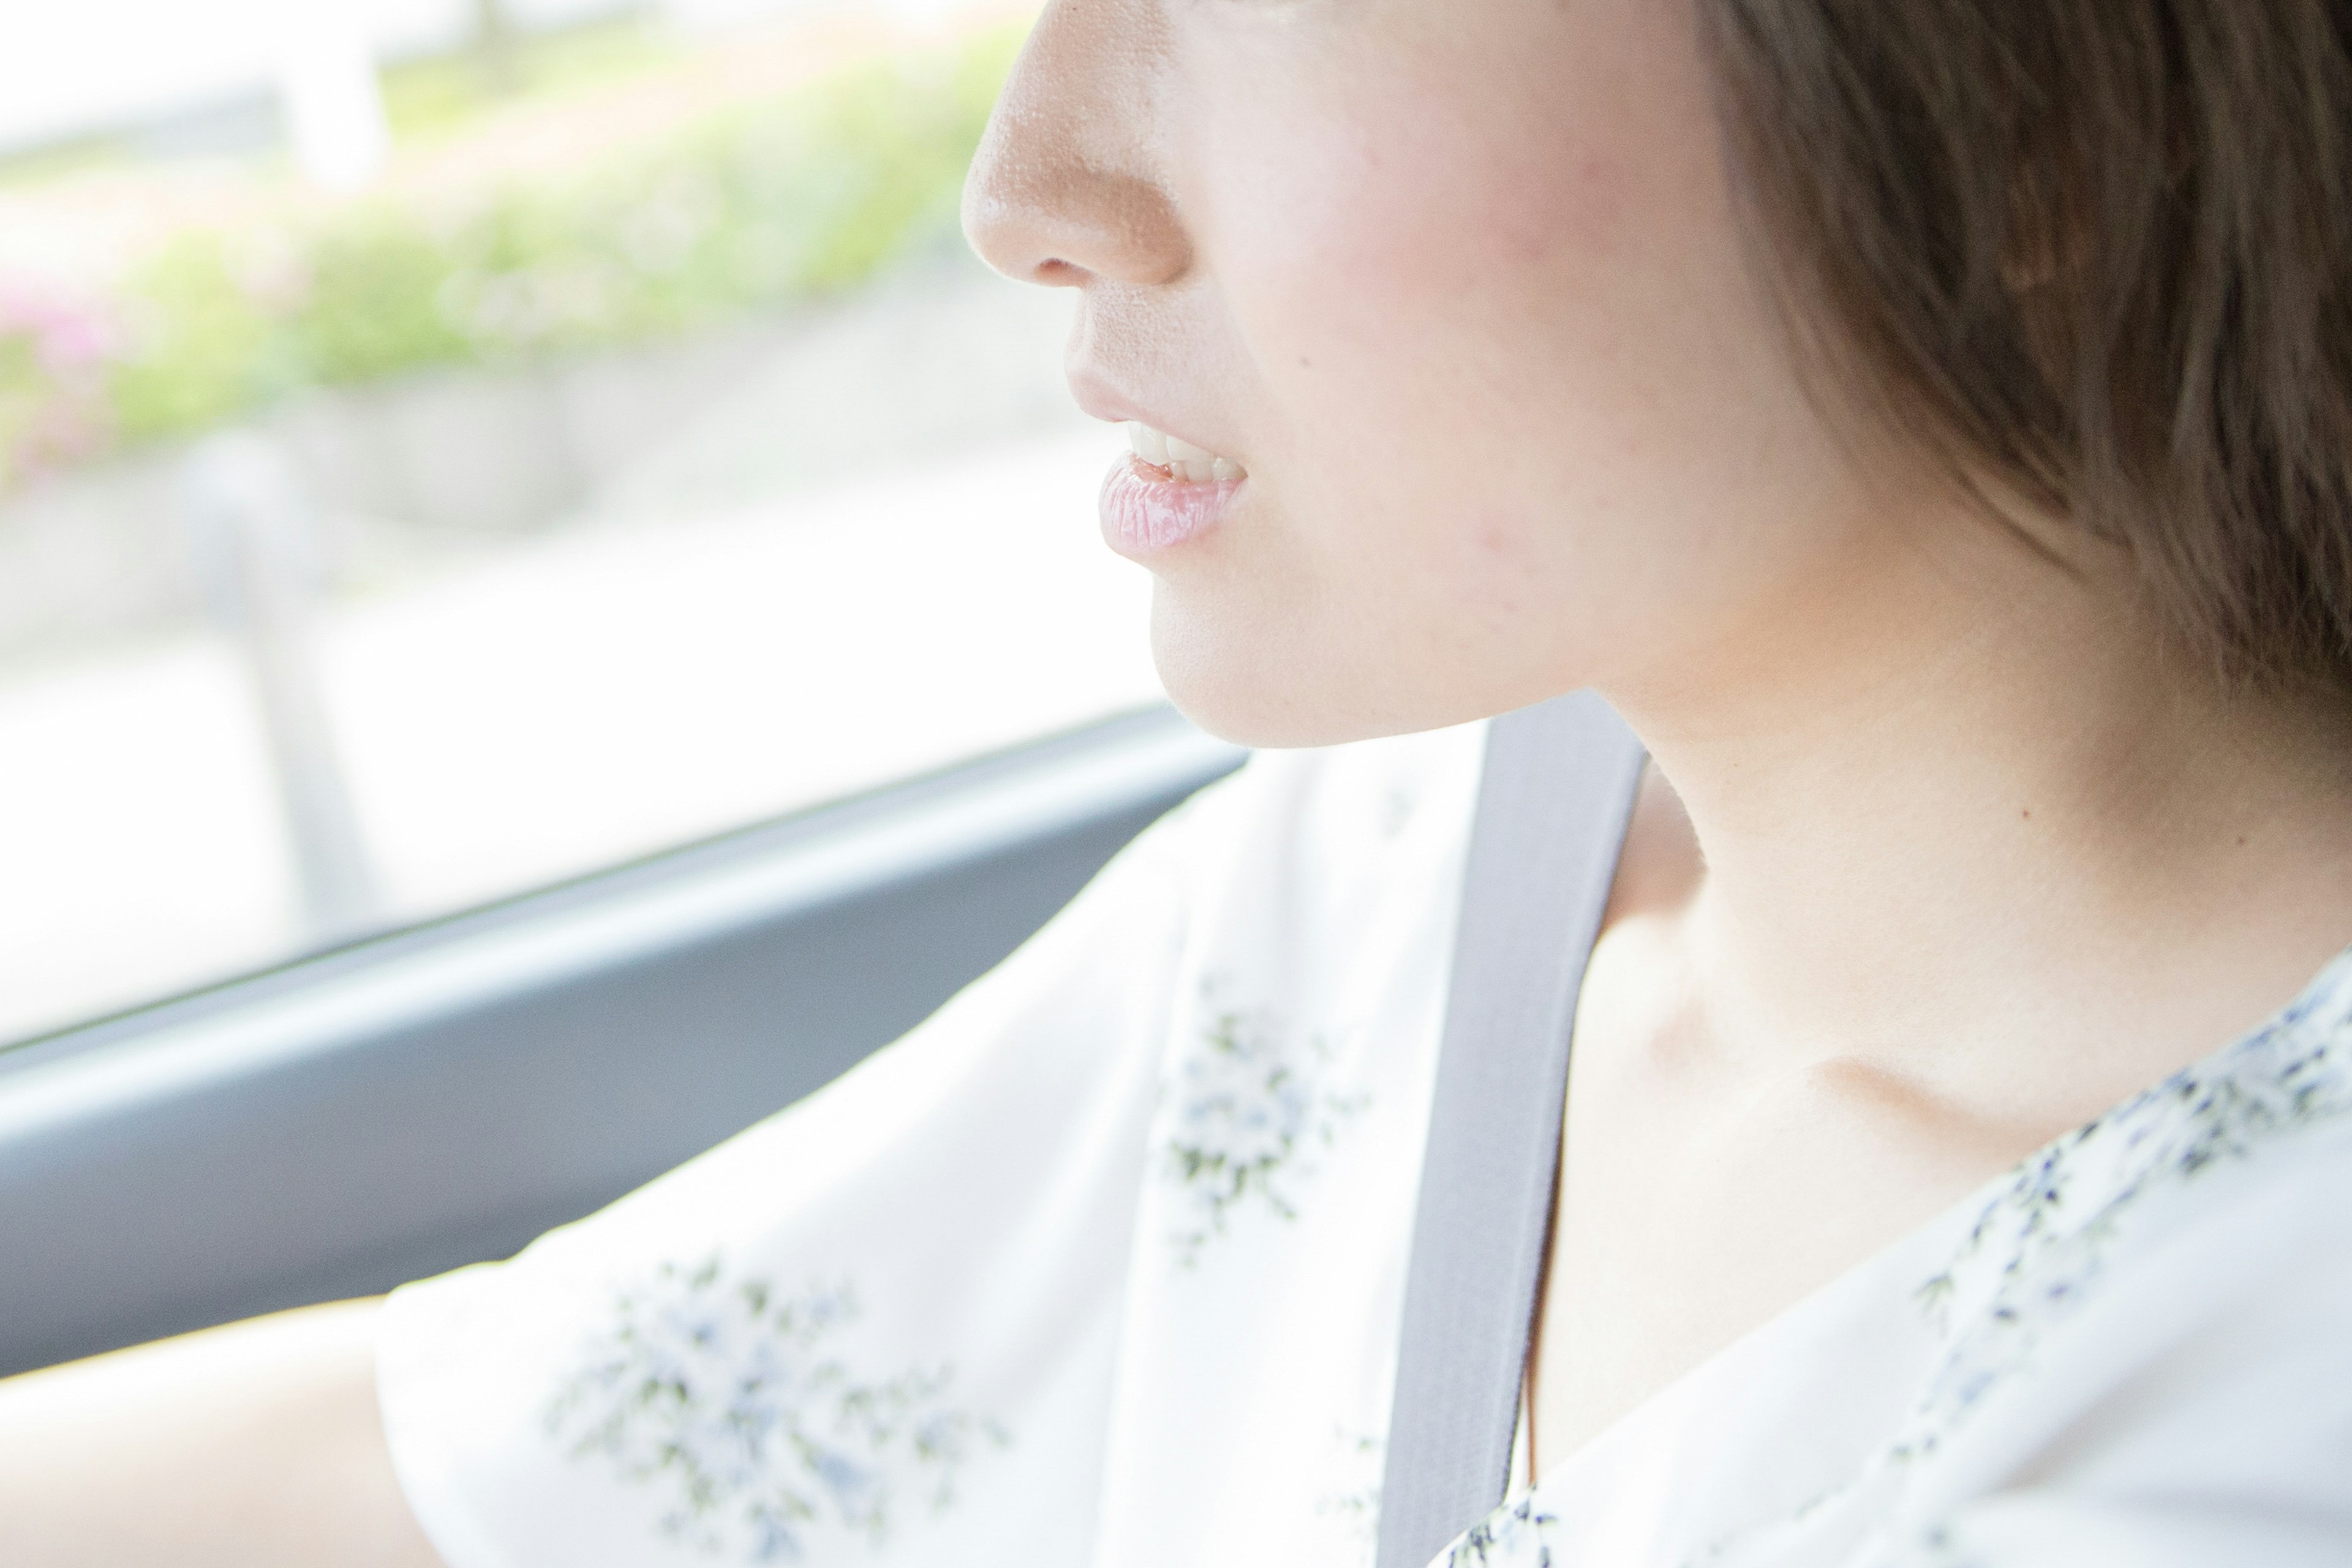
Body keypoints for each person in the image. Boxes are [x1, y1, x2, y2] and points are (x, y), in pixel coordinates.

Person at [6, 0, 2351, 1562]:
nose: (1031, 186)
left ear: (2030, 114)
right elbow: (484, 1467)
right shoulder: (1408, 899)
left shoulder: (2241, 1415)